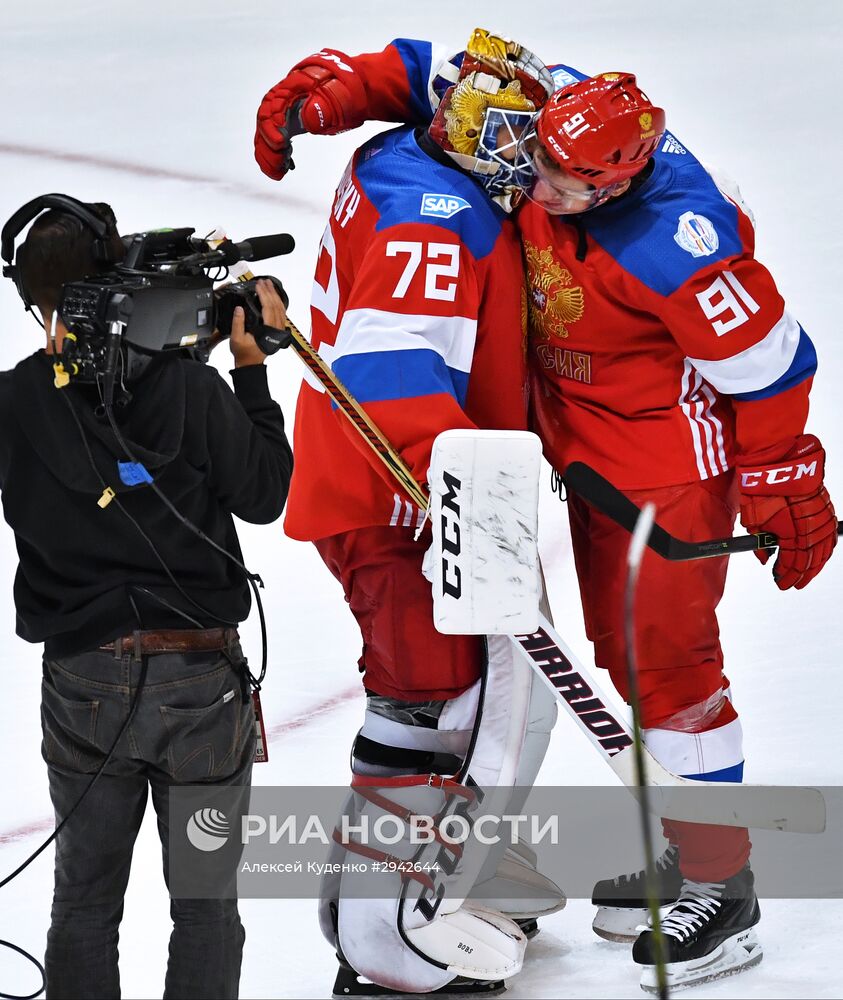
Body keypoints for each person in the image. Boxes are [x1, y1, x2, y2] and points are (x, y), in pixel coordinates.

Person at [254, 37, 838, 991]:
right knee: (606, 661)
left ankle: (720, 887)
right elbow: (450, 70)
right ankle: (674, 851)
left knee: (670, 671)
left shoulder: (676, 242)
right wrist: (347, 87)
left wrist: (782, 471)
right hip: (574, 455)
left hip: (662, 473)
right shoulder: (557, 118)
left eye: (567, 187)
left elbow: (774, 364)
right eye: (540, 168)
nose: (538, 191)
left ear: (621, 181)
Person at [263, 30, 565, 996]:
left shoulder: (413, 140)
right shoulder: (434, 222)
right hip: (403, 497)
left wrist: (348, 86)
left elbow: (424, 61)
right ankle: (387, 949)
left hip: (418, 485)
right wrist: (467, 501)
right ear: (472, 140)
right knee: (437, 710)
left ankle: (456, 874)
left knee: (517, 696)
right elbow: (386, 376)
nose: (533, 158)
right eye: (518, 139)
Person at [0, 195, 294, 999]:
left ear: (34, 300)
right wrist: (251, 371)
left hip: (83, 680)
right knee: (205, 908)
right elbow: (266, 494)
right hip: (200, 682)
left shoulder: (15, 400)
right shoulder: (190, 390)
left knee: (82, 903)